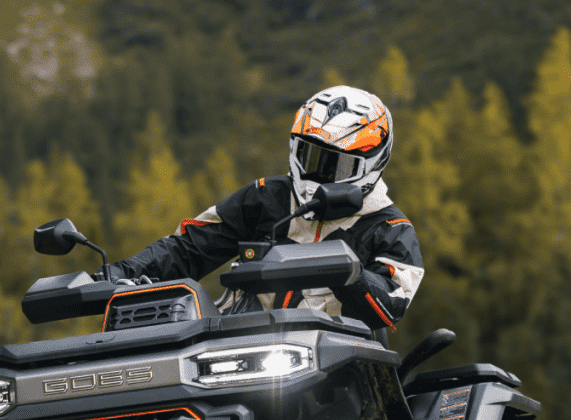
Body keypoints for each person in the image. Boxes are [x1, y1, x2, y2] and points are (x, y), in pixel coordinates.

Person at [102, 85, 423, 332]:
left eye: (336, 165)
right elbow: (188, 249)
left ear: (372, 164)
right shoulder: (266, 197)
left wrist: (351, 274)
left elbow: (391, 305)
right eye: (310, 155)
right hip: (245, 344)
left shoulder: (391, 229)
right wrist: (119, 274)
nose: (318, 173)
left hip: (340, 361)